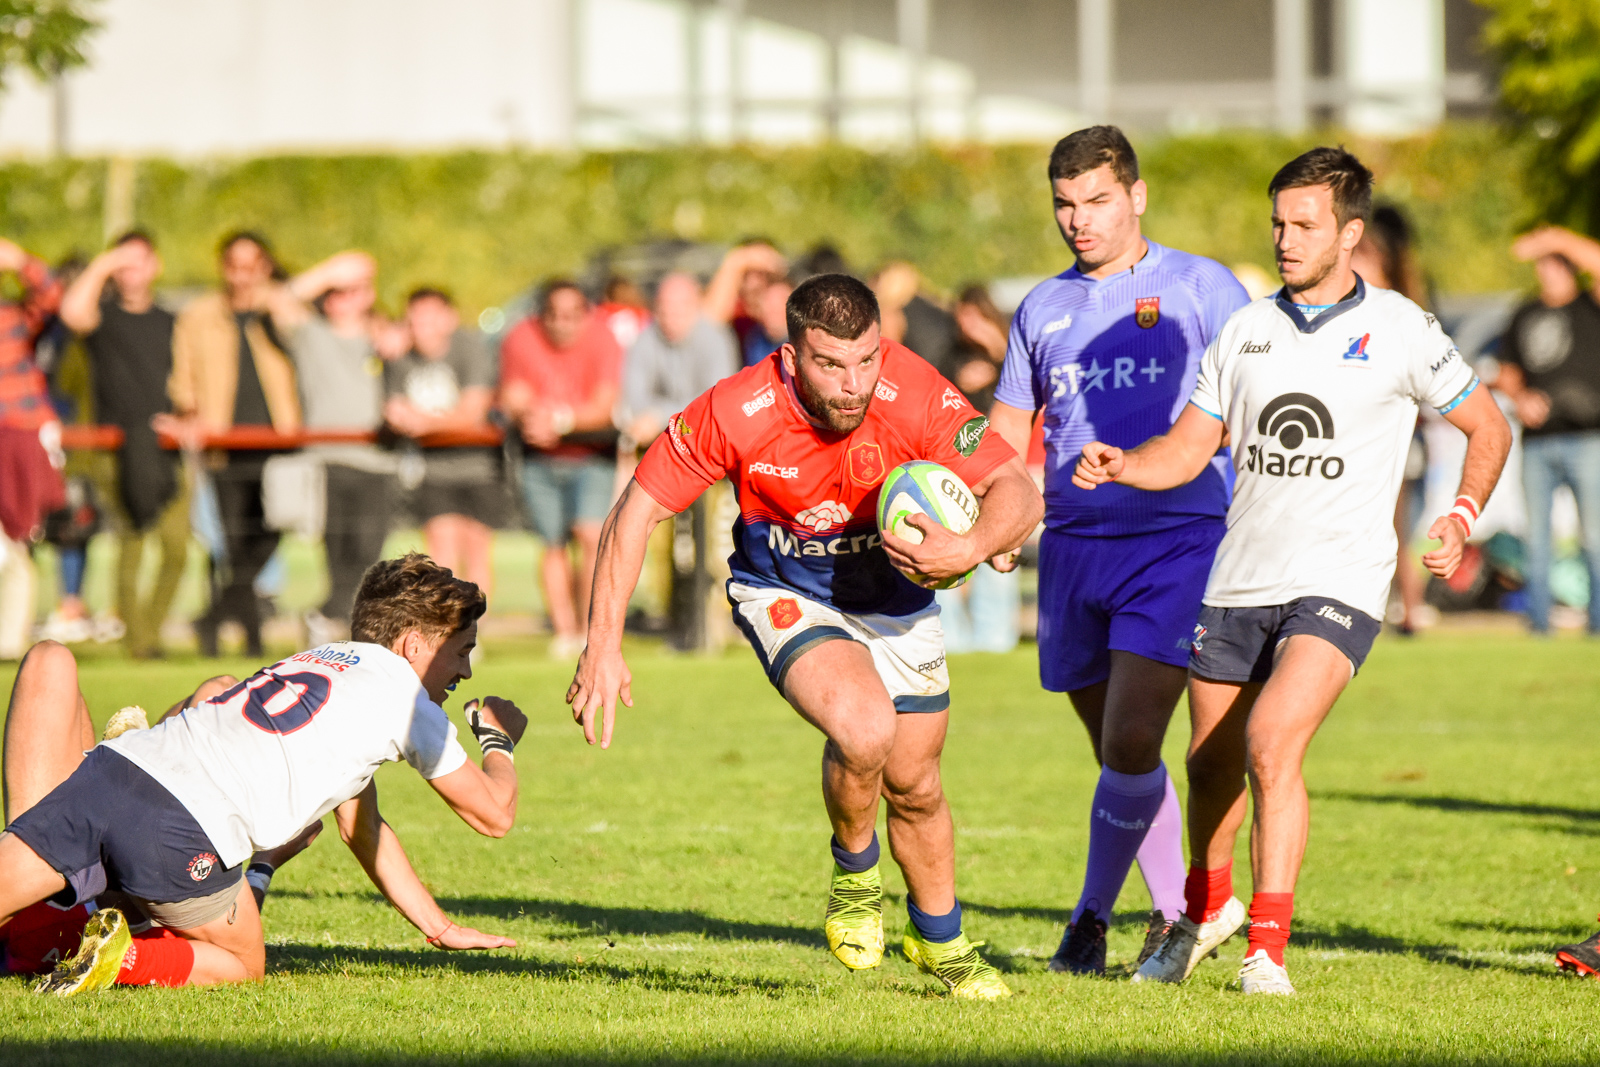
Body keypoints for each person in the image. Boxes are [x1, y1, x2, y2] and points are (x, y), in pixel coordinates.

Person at [1073, 146, 1511, 994]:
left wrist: (1459, 516)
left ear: (1349, 234)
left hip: (1340, 582)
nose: (1284, 239)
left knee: (1272, 743)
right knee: (1209, 767)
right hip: (1238, 581)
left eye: (1304, 225)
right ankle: (1205, 912)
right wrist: (1124, 463)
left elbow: (1488, 428)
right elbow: (1186, 451)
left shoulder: (1402, 327)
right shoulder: (1246, 330)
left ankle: (1266, 949)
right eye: (1278, 222)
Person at [567, 274, 1044, 1000]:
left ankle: (941, 941)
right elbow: (636, 510)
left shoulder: (913, 390)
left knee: (917, 784)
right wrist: (602, 645)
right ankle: (855, 873)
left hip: (898, 598)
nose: (853, 384)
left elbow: (1017, 489)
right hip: (787, 592)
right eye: (830, 364)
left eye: (866, 360)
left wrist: (973, 544)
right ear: (792, 357)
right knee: (865, 728)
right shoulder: (737, 409)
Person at [0, 553, 527, 994]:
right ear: (414, 645)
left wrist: (439, 926)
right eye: (462, 651)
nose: (465, 670)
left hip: (115, 769)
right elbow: (494, 815)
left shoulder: (323, 659)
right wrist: (496, 737)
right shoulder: (403, 698)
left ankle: (54, 925)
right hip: (180, 825)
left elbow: (361, 829)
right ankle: (124, 957)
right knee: (242, 965)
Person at [987, 127, 1252, 976]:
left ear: (1136, 196)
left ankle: (1089, 921)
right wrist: (995, 520)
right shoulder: (1041, 308)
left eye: (1097, 200)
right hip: (1072, 551)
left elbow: (1257, 401)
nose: (1080, 219)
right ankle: (1179, 913)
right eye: (1065, 204)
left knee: (1134, 736)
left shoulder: (1202, 287)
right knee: (1117, 754)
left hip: (1177, 542)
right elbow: (1006, 434)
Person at [167, 231, 301, 659]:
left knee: (274, 530)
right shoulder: (198, 315)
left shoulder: (282, 309)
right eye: (234, 266)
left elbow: (305, 340)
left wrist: (279, 298)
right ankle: (252, 638)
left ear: (265, 267)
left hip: (279, 440)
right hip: (224, 442)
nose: (242, 276)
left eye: (251, 266)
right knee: (234, 541)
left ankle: (212, 617)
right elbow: (183, 378)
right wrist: (189, 412)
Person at [59, 232, 190, 659]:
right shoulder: (104, 319)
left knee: (176, 547)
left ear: (156, 266)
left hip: (167, 447)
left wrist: (186, 416)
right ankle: (139, 644)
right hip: (115, 450)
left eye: (139, 262)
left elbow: (191, 379)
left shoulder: (172, 320)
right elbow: (72, 312)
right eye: (123, 264)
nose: (130, 272)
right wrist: (105, 263)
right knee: (131, 545)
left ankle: (149, 631)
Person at [262, 250, 398, 643]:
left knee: (369, 553)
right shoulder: (311, 334)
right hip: (327, 460)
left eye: (353, 291)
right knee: (336, 554)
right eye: (336, 292)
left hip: (376, 460)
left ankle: (330, 619)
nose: (343, 299)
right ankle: (333, 622)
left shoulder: (384, 337)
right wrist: (330, 271)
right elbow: (277, 301)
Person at [499, 280, 623, 659]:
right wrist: (531, 416)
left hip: (593, 454)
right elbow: (511, 396)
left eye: (571, 315)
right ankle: (564, 630)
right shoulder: (520, 337)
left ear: (586, 314)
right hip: (538, 456)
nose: (561, 323)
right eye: (553, 314)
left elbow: (604, 405)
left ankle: (589, 629)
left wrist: (560, 421)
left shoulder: (604, 339)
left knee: (589, 536)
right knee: (551, 543)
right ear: (541, 315)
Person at [1490, 226, 1600, 636]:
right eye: (1542, 263)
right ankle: (1539, 624)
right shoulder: (1525, 312)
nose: (1545, 270)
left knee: (1595, 537)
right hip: (1538, 441)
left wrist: (1554, 237)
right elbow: (1507, 371)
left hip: (1587, 438)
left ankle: (1597, 623)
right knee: (1537, 539)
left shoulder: (1589, 305)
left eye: (1553, 262)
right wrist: (1520, 398)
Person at [1350, 205, 1435, 634]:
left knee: (1395, 528)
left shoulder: (1401, 316)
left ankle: (1410, 610)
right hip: (1352, 438)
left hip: (1397, 438)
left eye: (1363, 257)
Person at [384, 288, 500, 599]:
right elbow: (395, 411)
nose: (421, 327)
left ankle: (475, 624)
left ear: (449, 318)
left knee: (477, 553)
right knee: (441, 557)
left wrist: (423, 423)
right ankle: (449, 622)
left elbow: (473, 413)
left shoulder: (469, 348)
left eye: (429, 318)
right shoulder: (401, 356)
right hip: (433, 469)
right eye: (414, 319)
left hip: (479, 467)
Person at [937, 284, 1024, 655]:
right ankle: (953, 638)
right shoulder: (952, 357)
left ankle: (996, 636)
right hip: (961, 468)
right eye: (962, 317)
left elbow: (1027, 393)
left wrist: (995, 358)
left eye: (974, 316)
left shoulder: (1012, 353)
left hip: (1007, 464)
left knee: (1000, 543)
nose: (966, 325)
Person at [0, 238, 65, 661]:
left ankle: (8, 641)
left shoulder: (11, 317)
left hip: (18, 433)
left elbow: (53, 296)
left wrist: (21, 260)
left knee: (18, 540)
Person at [622, 272, 738, 446]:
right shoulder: (645, 339)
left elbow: (715, 401)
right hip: (657, 440)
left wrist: (662, 417)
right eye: (663, 312)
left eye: (678, 313)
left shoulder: (717, 340)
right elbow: (634, 398)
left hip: (707, 439)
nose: (670, 320)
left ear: (696, 307)